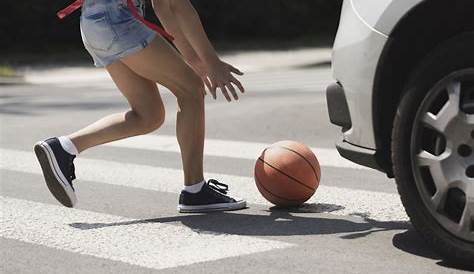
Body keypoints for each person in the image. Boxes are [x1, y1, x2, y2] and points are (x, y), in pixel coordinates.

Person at [33, 0, 247, 213]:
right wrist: (211, 62)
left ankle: (63, 147)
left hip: (95, 23)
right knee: (191, 91)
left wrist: (194, 59)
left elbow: (163, 5)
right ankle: (195, 190)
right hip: (119, 22)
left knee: (148, 115)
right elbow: (178, 6)